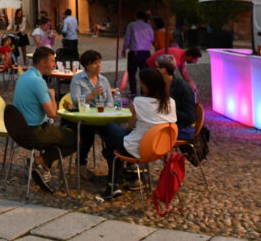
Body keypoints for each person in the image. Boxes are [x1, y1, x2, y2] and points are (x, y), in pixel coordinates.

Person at [101, 67, 176, 199]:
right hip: (160, 149)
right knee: (114, 141)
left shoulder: (139, 102)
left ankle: (113, 183)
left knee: (109, 128)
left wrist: (134, 114)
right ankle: (118, 177)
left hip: (138, 149)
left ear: (146, 85)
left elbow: (130, 127)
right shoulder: (171, 102)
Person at [12, 46, 76, 192]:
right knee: (75, 139)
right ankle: (42, 161)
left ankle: (42, 165)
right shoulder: (38, 82)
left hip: (19, 131)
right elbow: (53, 113)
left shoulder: (24, 76)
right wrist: (52, 96)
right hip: (35, 133)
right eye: (52, 61)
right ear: (42, 63)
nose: (54, 64)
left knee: (60, 135)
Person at [69, 50, 113, 176]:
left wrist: (106, 109)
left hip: (101, 117)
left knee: (114, 131)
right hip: (85, 117)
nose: (98, 65)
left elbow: (110, 101)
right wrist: (92, 94)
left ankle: (113, 164)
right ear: (87, 65)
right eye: (95, 63)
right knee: (87, 133)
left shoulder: (103, 80)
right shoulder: (78, 79)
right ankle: (81, 163)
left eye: (99, 62)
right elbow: (75, 101)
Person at [155, 54, 196, 141]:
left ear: (164, 70)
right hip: (168, 124)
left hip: (183, 129)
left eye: (156, 67)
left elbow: (190, 118)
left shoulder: (183, 88)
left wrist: (167, 109)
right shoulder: (161, 84)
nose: (153, 70)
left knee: (149, 137)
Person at [122, 11, 154, 97]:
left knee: (132, 73)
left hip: (134, 52)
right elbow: (152, 39)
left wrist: (124, 49)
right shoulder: (148, 26)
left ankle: (133, 92)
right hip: (146, 53)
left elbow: (127, 38)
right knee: (144, 73)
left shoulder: (132, 25)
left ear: (135, 16)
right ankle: (144, 92)